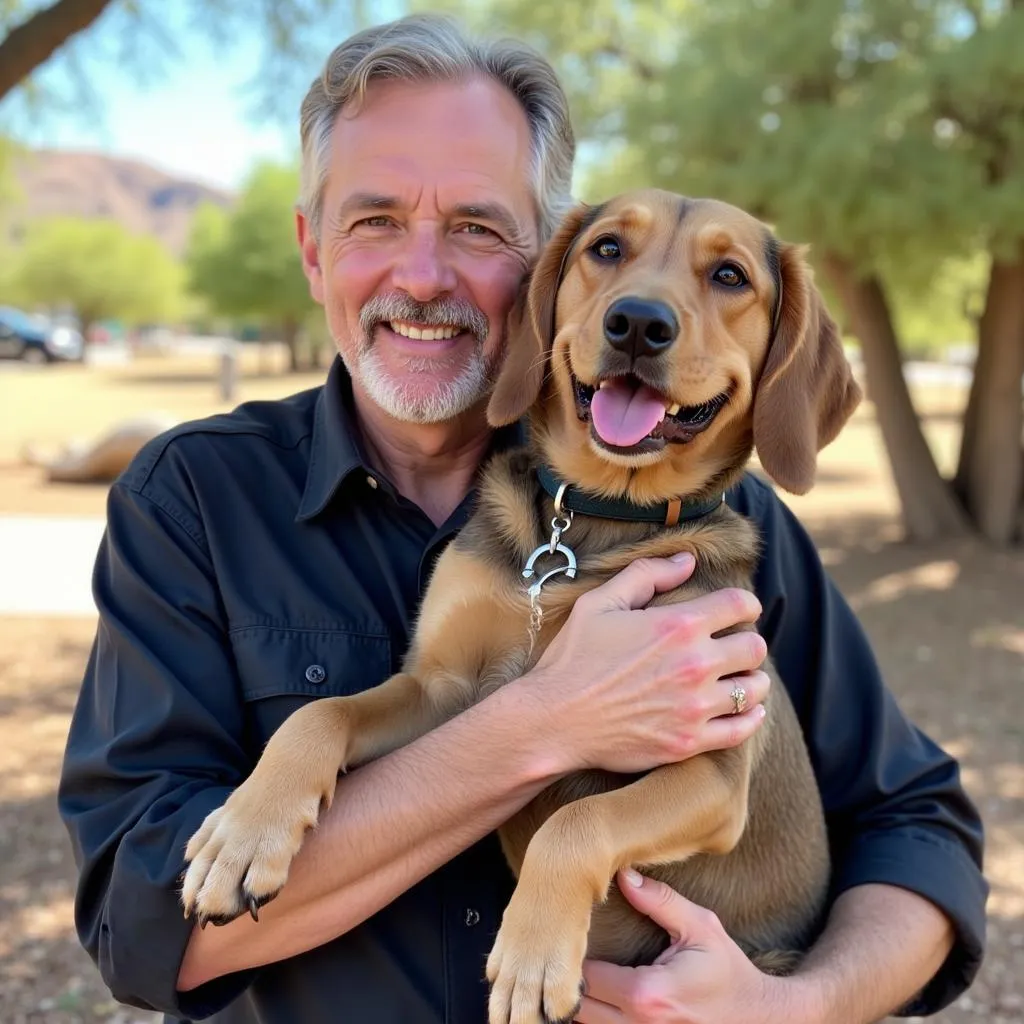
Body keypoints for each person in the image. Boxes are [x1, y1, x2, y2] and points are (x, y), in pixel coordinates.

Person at [58, 13, 986, 1024]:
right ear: (312, 251)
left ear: (536, 265)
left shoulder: (732, 528)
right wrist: (537, 726)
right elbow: (147, 925)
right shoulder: (191, 499)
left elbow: (916, 828)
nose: (421, 275)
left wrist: (792, 1005)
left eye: (473, 225)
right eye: (373, 220)